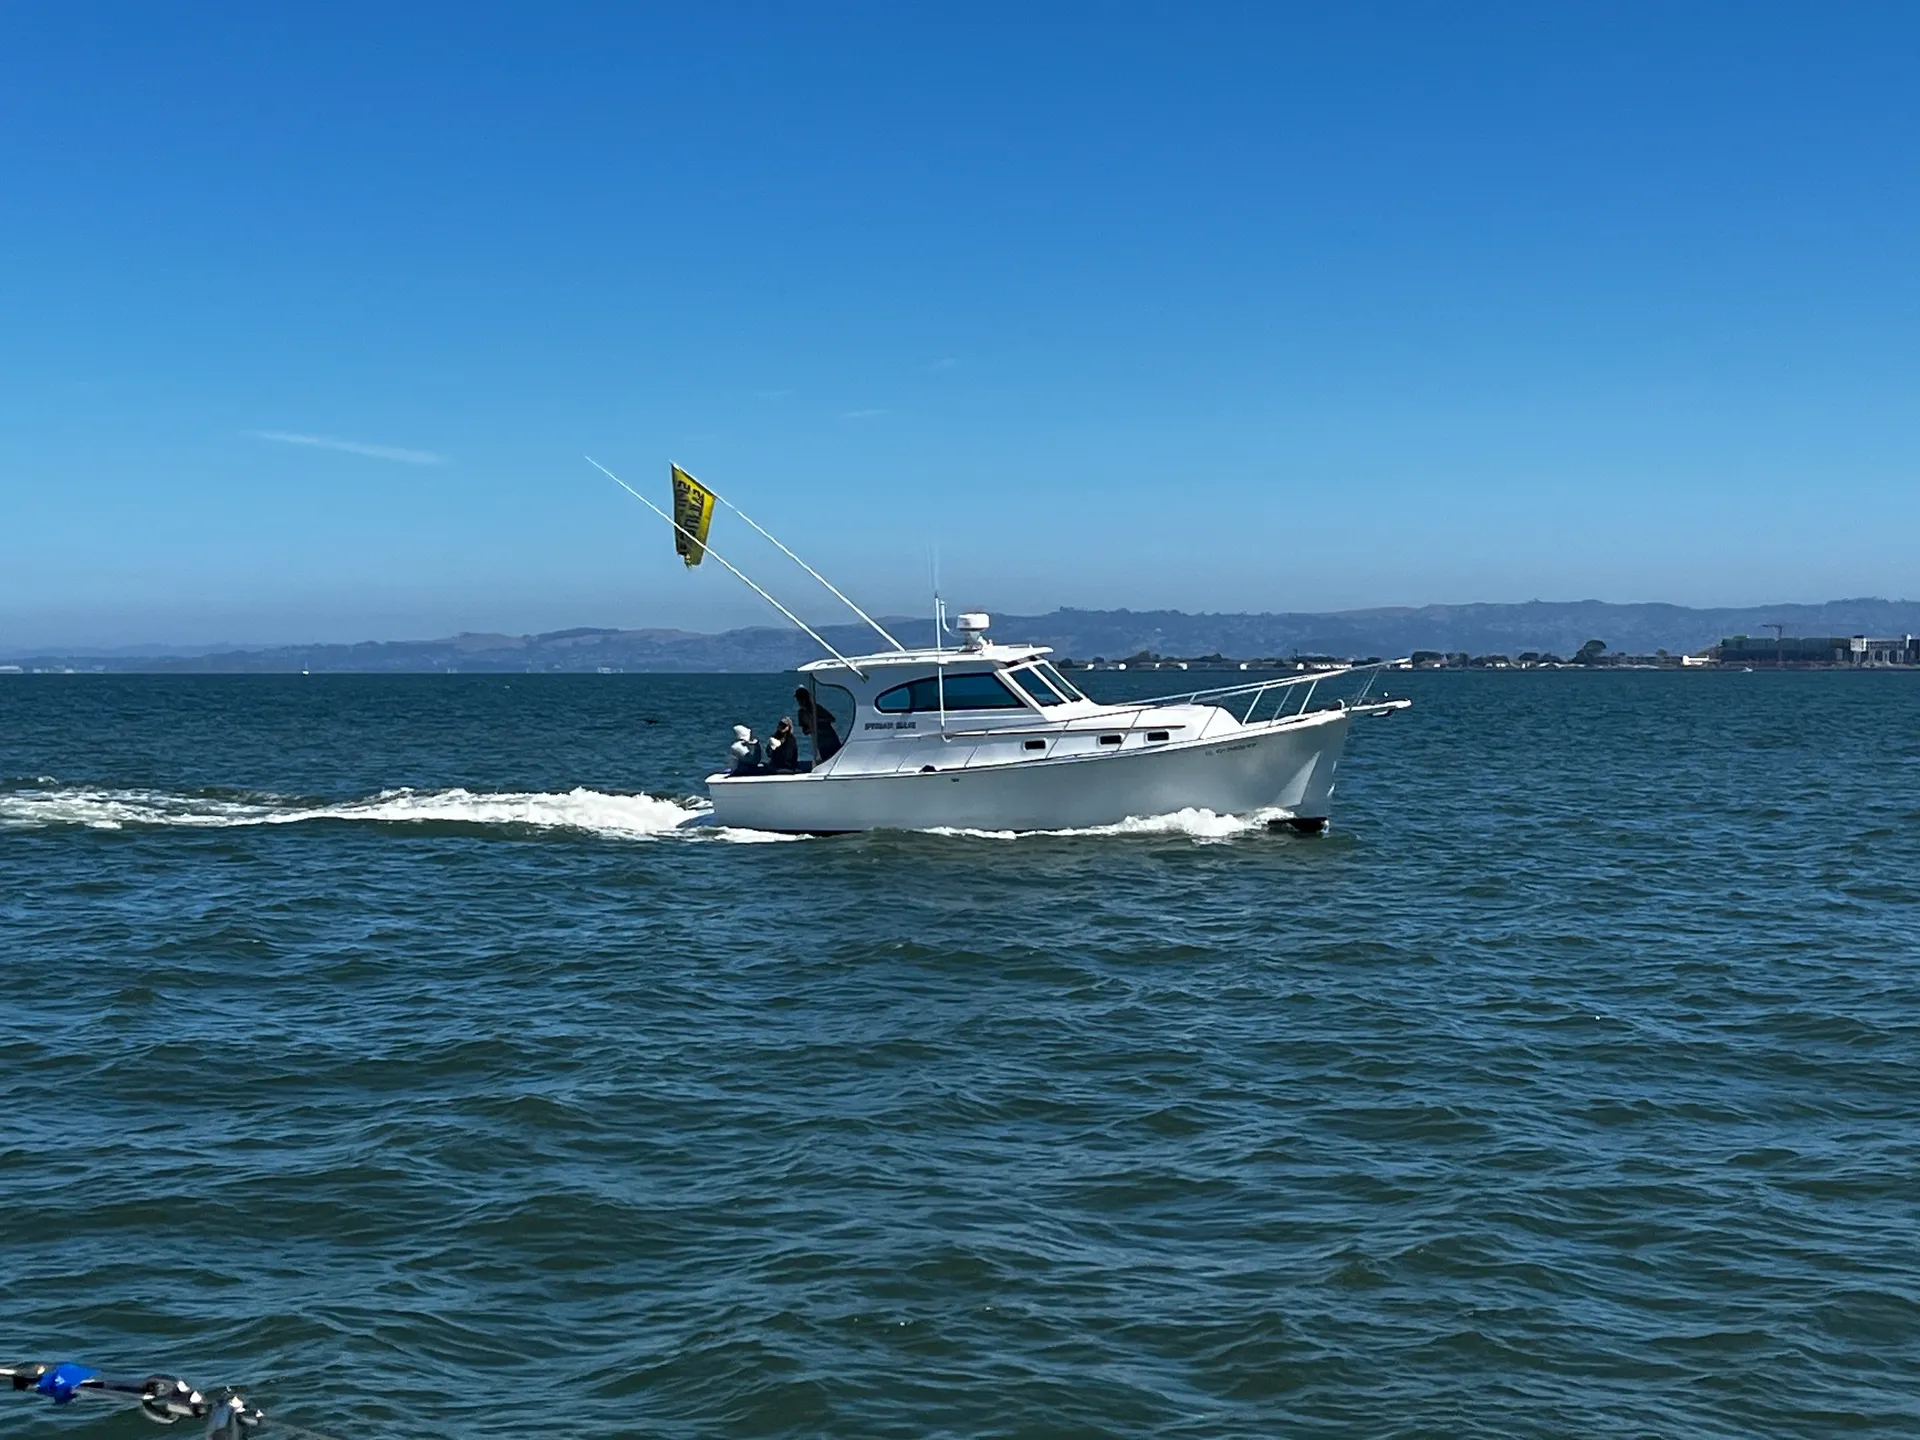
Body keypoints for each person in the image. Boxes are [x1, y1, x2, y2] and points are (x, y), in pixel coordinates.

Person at [794, 686, 842, 761]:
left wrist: (818, 721)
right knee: (826, 759)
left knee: (837, 758)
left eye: (801, 699)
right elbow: (804, 730)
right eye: (798, 699)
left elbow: (832, 719)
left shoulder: (816, 708)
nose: (800, 701)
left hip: (830, 738)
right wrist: (810, 729)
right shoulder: (801, 713)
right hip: (819, 741)